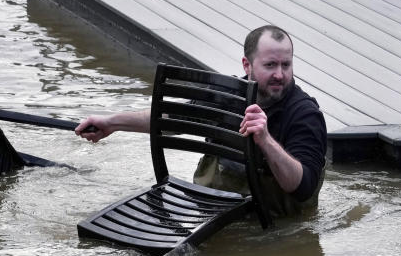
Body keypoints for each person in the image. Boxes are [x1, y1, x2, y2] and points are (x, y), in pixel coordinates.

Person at [74, 25, 327, 217]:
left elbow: (303, 187)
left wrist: (266, 140)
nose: (280, 75)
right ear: (247, 65)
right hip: (215, 209)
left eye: (286, 65)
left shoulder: (304, 114)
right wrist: (112, 123)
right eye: (270, 65)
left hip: (275, 226)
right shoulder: (226, 95)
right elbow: (170, 121)